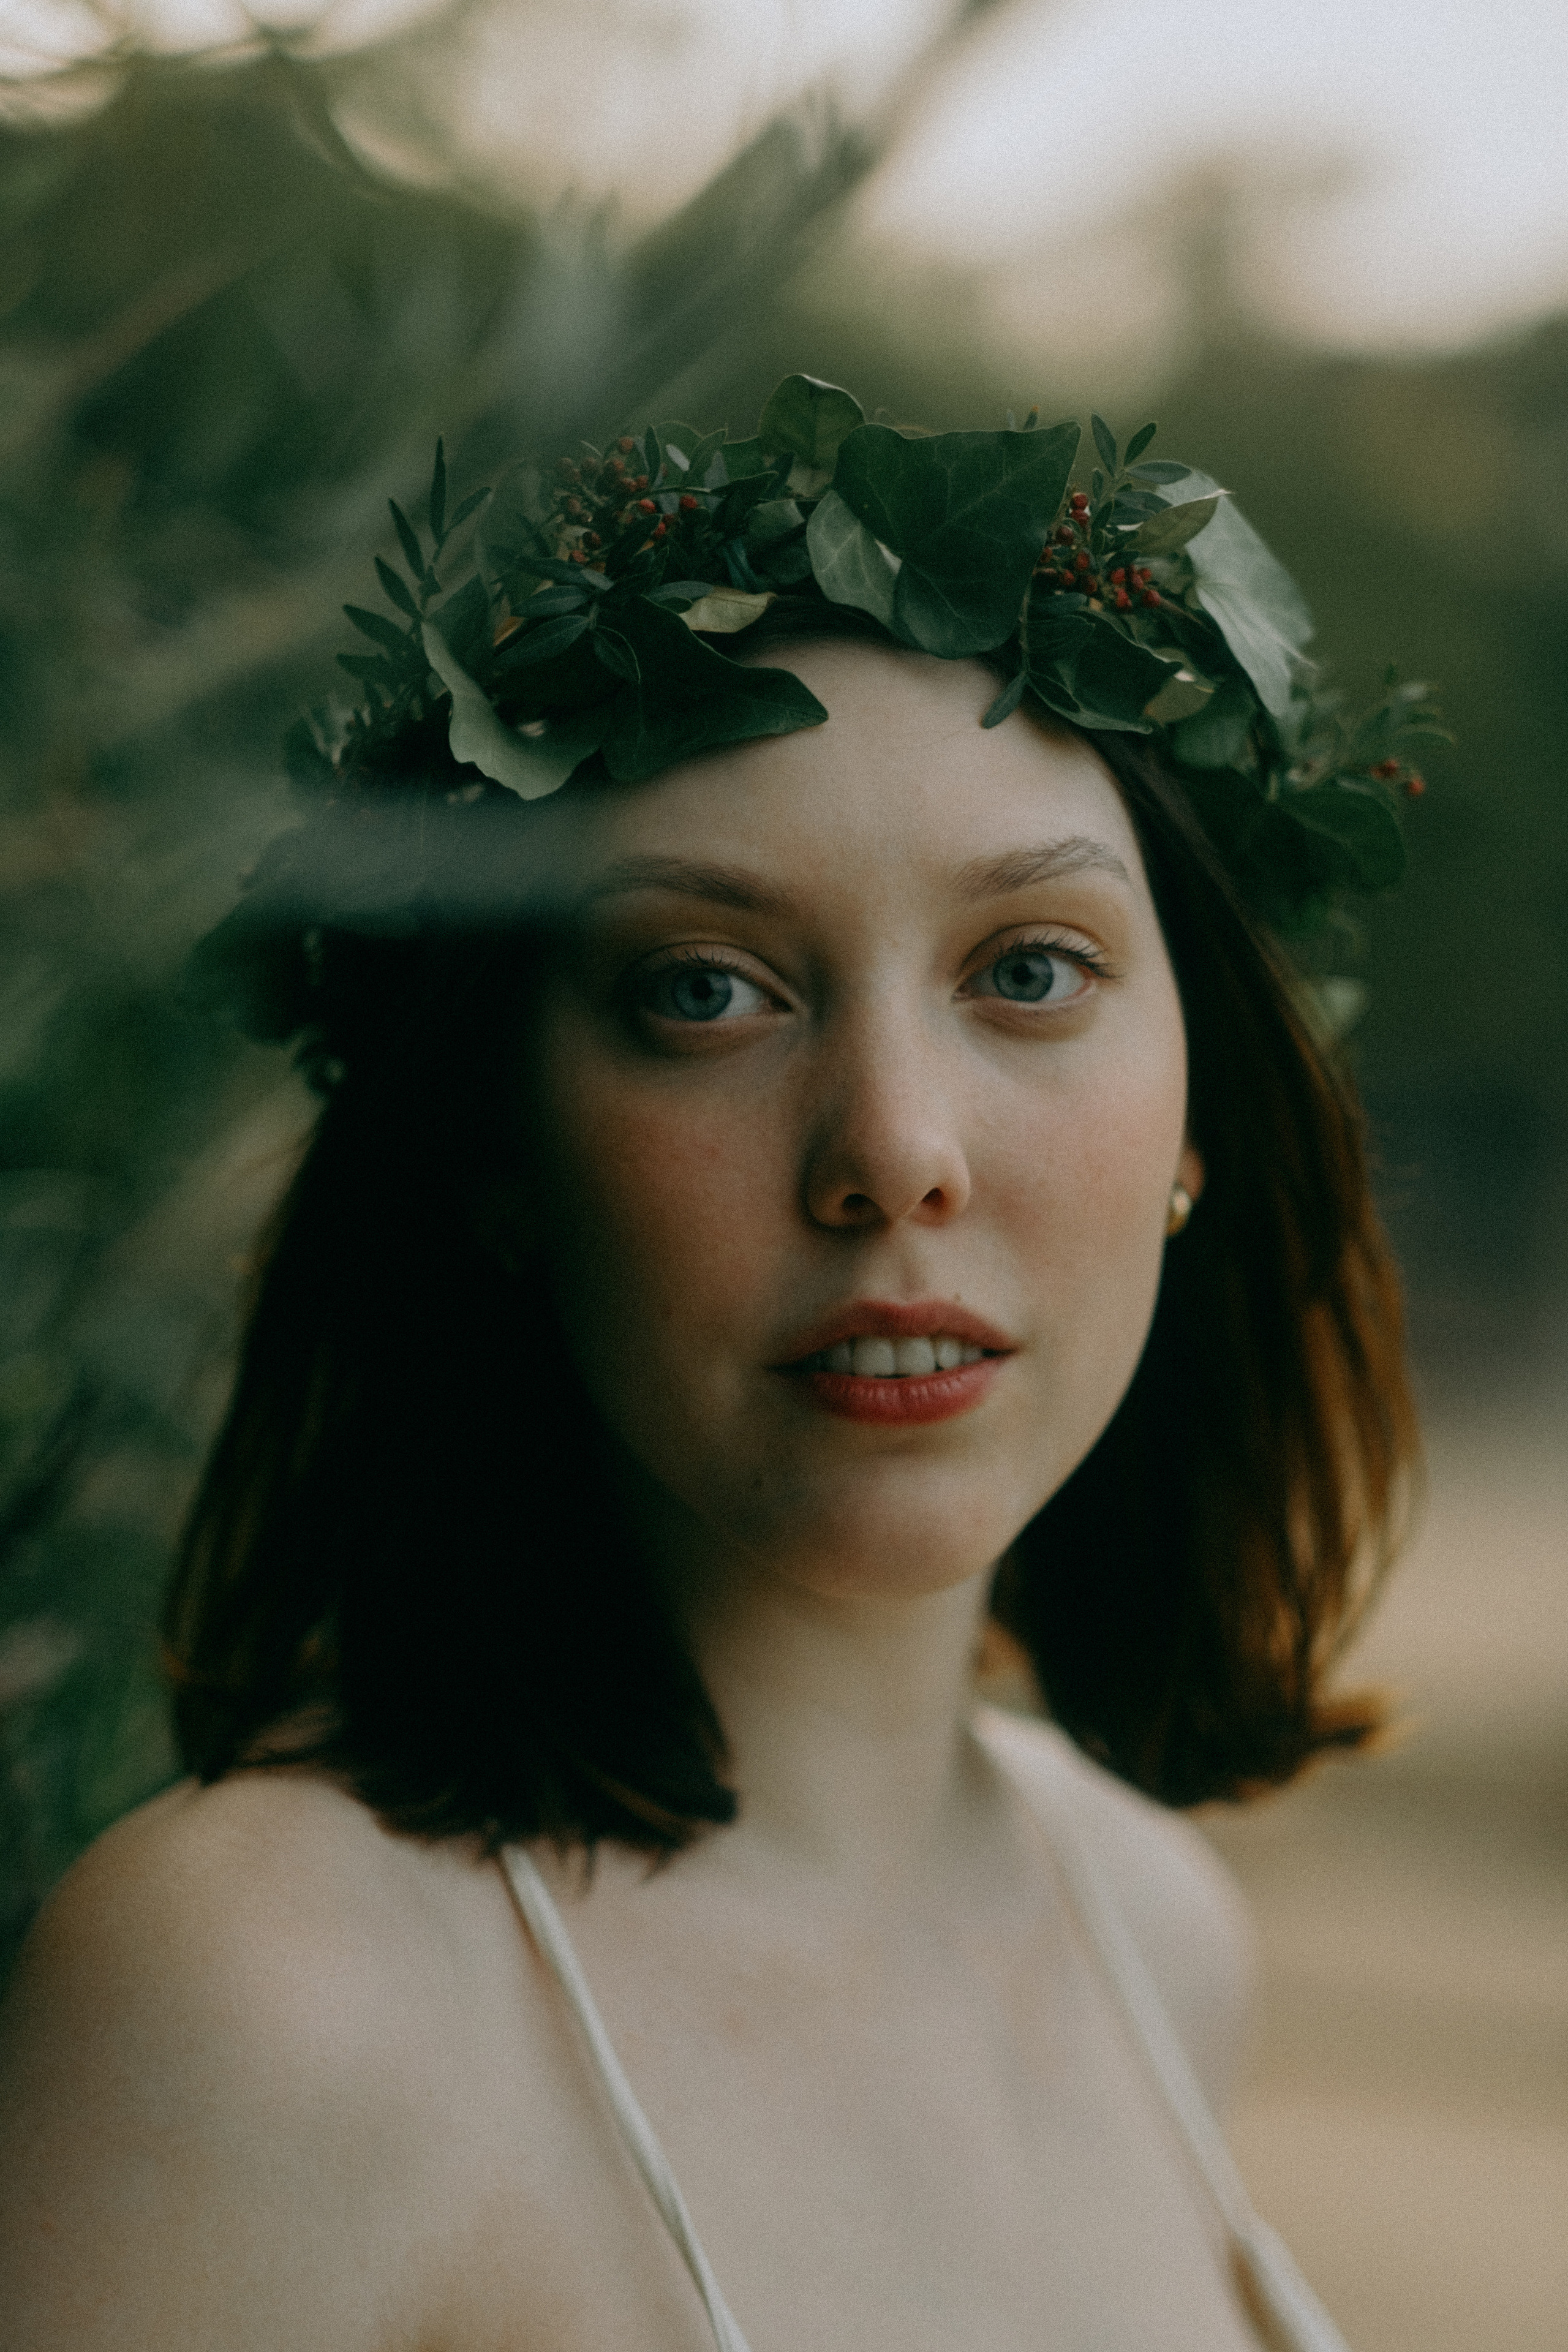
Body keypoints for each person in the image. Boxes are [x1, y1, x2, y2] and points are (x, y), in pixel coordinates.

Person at [0, 382, 1428, 2351]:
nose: (896, 1150)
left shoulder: (1158, 1927)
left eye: (1030, 969)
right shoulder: (268, 1996)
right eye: (705, 992)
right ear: (498, 1153)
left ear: (1202, 1120)